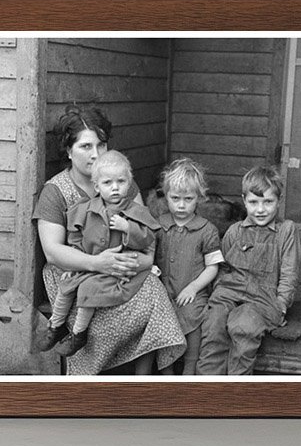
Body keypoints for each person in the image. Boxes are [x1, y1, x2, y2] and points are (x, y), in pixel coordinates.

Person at [32, 105, 185, 375]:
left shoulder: (120, 182)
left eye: (101, 145)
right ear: (68, 151)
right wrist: (97, 263)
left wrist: (143, 261)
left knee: (154, 291)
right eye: (85, 146)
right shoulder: (56, 191)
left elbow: (142, 231)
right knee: (98, 319)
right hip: (74, 272)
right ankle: (91, 374)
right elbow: (53, 252)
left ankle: (154, 376)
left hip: (122, 266)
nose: (96, 154)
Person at [42, 150, 161, 358]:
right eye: (107, 183)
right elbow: (75, 238)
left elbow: (148, 239)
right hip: (91, 265)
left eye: (121, 182)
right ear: (97, 186)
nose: (115, 188)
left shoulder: (136, 212)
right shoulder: (85, 209)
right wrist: (75, 265)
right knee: (66, 284)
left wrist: (128, 228)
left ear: (129, 183)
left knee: (89, 288)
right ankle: (56, 325)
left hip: (116, 271)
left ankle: (78, 333)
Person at [196, 165, 301, 376]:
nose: (260, 210)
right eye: (253, 202)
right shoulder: (234, 231)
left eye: (268, 202)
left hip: (262, 299)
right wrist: (219, 295)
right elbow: (224, 268)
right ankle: (206, 393)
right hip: (229, 292)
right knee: (213, 324)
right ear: (244, 201)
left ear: (278, 201)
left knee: (243, 326)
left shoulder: (286, 231)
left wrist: (281, 303)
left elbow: (290, 272)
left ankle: (236, 396)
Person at [154, 158, 223, 375]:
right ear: (166, 197)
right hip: (164, 291)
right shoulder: (158, 225)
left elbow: (212, 267)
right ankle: (167, 375)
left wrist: (193, 288)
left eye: (188, 199)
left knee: (195, 319)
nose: (181, 205)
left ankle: (189, 373)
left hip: (192, 291)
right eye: (175, 199)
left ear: (199, 198)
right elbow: (147, 255)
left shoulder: (206, 230)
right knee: (162, 326)